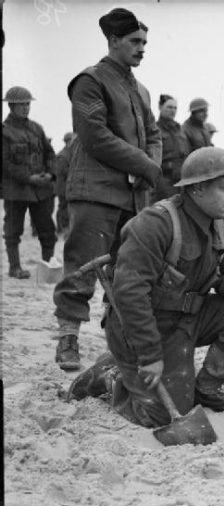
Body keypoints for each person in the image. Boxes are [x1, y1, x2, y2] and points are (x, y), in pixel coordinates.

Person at [66, 147, 224, 424]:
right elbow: (129, 294)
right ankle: (110, 374)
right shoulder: (156, 223)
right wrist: (149, 355)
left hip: (185, 323)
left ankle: (206, 389)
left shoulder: (222, 224)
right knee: (160, 415)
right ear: (197, 189)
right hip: (140, 329)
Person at [52, 7, 162, 371]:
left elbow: (155, 134)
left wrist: (152, 165)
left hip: (132, 197)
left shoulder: (140, 88)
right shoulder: (90, 80)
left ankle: (116, 342)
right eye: (134, 41)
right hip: (95, 192)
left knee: (124, 273)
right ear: (113, 41)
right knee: (82, 268)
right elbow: (95, 136)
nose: (142, 48)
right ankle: (68, 338)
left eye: (145, 42)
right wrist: (145, 166)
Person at [2, 86, 57, 278]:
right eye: (21, 104)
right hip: (16, 190)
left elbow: (50, 154)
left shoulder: (36, 128)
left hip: (40, 190)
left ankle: (48, 266)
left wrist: (50, 174)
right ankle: (14, 267)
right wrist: (28, 178)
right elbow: (6, 163)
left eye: (27, 104)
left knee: (47, 230)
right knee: (13, 231)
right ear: (11, 106)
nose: (26, 107)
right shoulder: (5, 132)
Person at [153, 94, 190, 203]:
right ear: (160, 107)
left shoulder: (180, 131)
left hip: (182, 181)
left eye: (175, 108)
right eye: (169, 107)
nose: (173, 110)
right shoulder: (154, 129)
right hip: (164, 181)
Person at [55, 131, 76, 235]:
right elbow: (61, 172)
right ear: (68, 142)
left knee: (65, 209)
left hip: (68, 187)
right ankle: (62, 229)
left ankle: (64, 228)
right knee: (63, 209)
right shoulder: (62, 156)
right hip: (63, 188)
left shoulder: (70, 153)